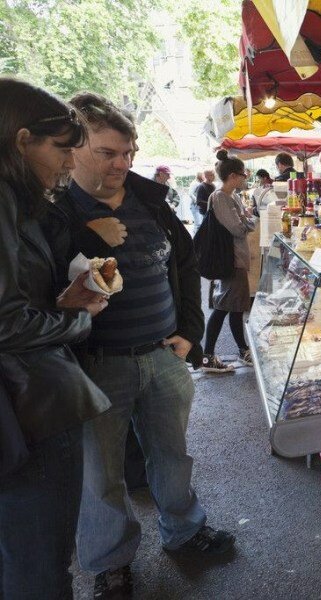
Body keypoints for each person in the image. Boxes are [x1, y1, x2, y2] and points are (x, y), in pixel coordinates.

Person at [46, 92, 234, 599]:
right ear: (77, 146)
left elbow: (188, 262)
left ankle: (185, 530)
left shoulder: (149, 198)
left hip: (162, 355)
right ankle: (110, 563)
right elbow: (44, 284)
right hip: (95, 364)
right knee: (100, 473)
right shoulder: (55, 210)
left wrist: (191, 333)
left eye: (129, 152)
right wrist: (92, 234)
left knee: (172, 456)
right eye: (108, 153)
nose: (122, 163)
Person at [0, 77, 111, 600]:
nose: (70, 163)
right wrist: (79, 318)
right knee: (39, 564)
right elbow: (6, 320)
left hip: (25, 402)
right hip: (30, 406)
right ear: (22, 140)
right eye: (63, 149)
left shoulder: (21, 203)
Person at [200, 150, 256, 373]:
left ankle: (242, 351)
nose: (245, 178)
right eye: (244, 175)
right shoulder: (221, 197)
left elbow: (244, 221)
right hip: (229, 260)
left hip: (235, 258)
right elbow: (238, 228)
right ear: (233, 176)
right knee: (223, 308)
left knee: (234, 308)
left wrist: (245, 219)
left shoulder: (230, 197)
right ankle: (207, 357)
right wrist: (247, 221)